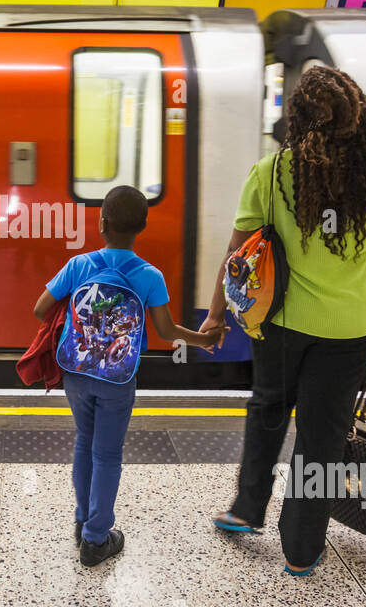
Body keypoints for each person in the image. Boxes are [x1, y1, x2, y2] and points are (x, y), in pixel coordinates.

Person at [200, 65, 366, 577]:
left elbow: (237, 255)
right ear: (358, 118)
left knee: (269, 408)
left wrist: (215, 314)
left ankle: (248, 509)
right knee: (324, 439)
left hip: (281, 325)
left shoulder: (271, 174)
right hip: (352, 330)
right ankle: (302, 547)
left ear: (296, 119)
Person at [33, 186, 224, 567]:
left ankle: (82, 521)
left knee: (83, 444)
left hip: (76, 372)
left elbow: (41, 309)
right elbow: (167, 332)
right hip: (117, 380)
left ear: (101, 222)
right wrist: (202, 339)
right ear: (142, 227)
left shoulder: (79, 265)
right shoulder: (149, 276)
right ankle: (96, 539)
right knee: (107, 454)